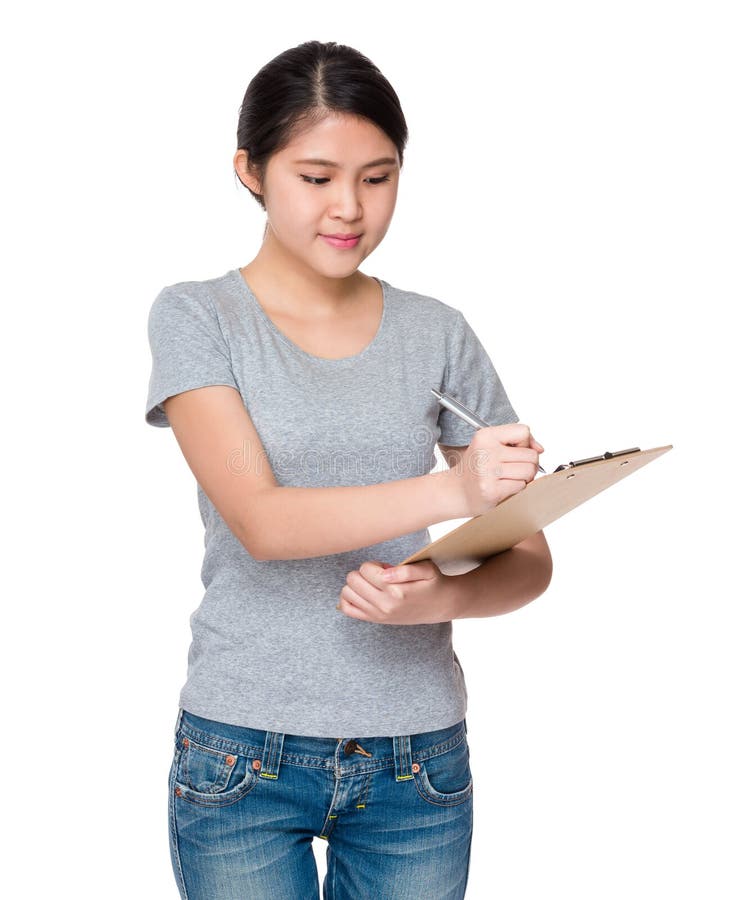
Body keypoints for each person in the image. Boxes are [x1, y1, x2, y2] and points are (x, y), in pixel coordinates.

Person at [145, 39, 552, 900]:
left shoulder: (436, 331)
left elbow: (527, 560)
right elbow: (262, 521)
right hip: (242, 751)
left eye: (378, 176)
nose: (350, 208)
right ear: (251, 172)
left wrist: (439, 595)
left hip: (419, 760)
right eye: (316, 176)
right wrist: (452, 491)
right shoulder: (198, 316)